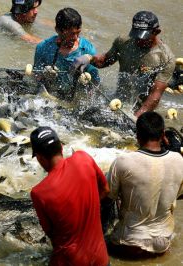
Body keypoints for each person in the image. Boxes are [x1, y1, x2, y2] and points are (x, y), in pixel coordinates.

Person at [106, 111, 183, 256]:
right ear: (162, 136)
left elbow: (107, 197)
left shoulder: (123, 162)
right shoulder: (180, 161)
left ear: (137, 136)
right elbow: (177, 195)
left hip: (129, 244)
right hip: (162, 245)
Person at [30, 126, 110, 265]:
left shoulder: (39, 193)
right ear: (61, 147)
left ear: (40, 158)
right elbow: (105, 190)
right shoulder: (83, 158)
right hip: (100, 259)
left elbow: (52, 234)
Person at [72, 11, 175, 117]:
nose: (138, 40)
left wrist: (135, 118)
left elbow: (155, 96)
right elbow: (104, 61)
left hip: (142, 108)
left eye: (143, 37)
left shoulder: (166, 58)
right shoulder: (123, 42)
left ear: (156, 32)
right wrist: (89, 58)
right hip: (118, 100)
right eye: (136, 35)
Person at [33, 7, 100, 100]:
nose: (75, 37)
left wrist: (86, 83)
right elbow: (36, 76)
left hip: (75, 99)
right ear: (58, 30)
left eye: (78, 33)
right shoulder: (43, 48)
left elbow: (96, 83)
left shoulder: (87, 50)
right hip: (50, 97)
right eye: (72, 33)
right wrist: (44, 76)